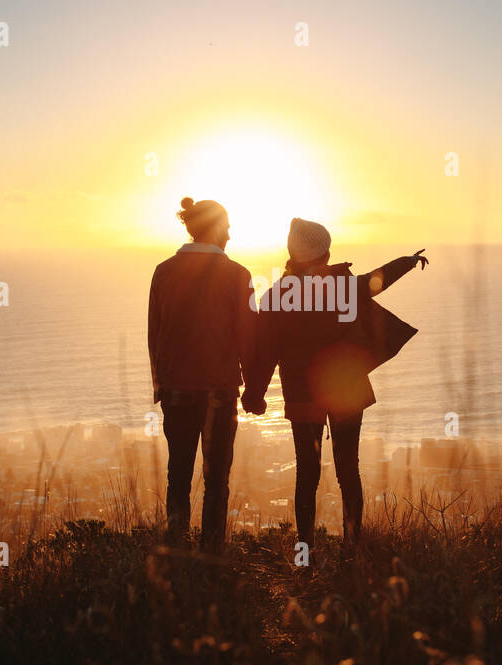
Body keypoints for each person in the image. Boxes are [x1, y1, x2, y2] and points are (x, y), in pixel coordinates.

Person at [243, 218, 427, 551]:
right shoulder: (342, 287)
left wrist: (254, 395)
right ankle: (352, 548)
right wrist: (408, 262)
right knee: (348, 470)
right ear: (325, 253)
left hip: (302, 396)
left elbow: (264, 353)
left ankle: (305, 553)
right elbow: (377, 280)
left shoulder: (278, 296)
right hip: (347, 392)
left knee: (307, 474)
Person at [147, 196, 255, 554]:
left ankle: (175, 549)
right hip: (218, 392)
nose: (231, 233)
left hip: (176, 390)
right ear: (217, 229)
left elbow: (154, 333)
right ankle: (212, 552)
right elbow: (248, 338)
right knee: (215, 480)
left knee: (177, 474)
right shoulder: (237, 276)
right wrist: (254, 390)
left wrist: (160, 383)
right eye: (226, 226)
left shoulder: (163, 271)